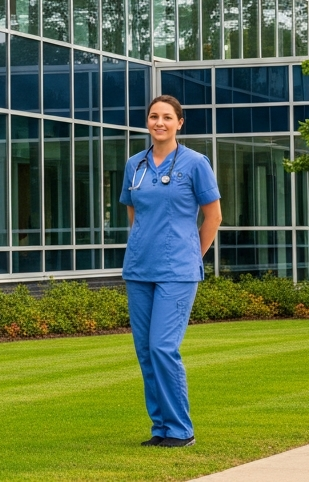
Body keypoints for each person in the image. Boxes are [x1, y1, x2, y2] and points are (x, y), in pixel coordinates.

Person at [120, 95, 221, 448]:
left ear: (180, 122)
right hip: (139, 269)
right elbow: (134, 213)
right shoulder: (136, 165)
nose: (158, 122)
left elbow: (213, 217)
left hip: (177, 270)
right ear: (147, 122)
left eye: (166, 117)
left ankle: (180, 430)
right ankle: (160, 428)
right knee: (146, 352)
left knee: (163, 347)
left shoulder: (195, 163)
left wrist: (192, 254)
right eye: (153, 116)